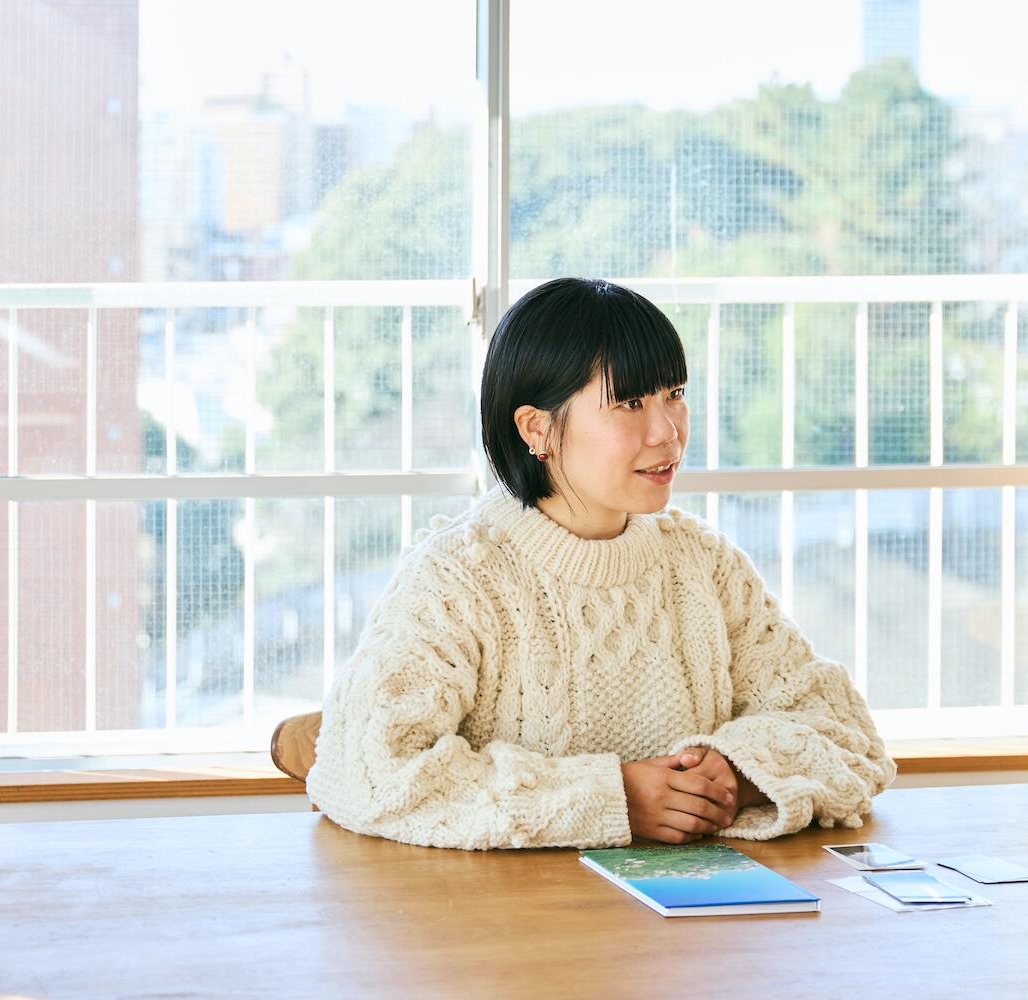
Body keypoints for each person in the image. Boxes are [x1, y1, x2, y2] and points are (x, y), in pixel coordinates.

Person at [305, 277, 896, 850]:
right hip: (510, 925)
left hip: (694, 934)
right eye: (631, 403)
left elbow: (843, 731)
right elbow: (363, 774)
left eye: (675, 395)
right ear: (538, 429)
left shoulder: (704, 563)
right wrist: (613, 798)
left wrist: (738, 773)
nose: (668, 431)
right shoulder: (458, 577)